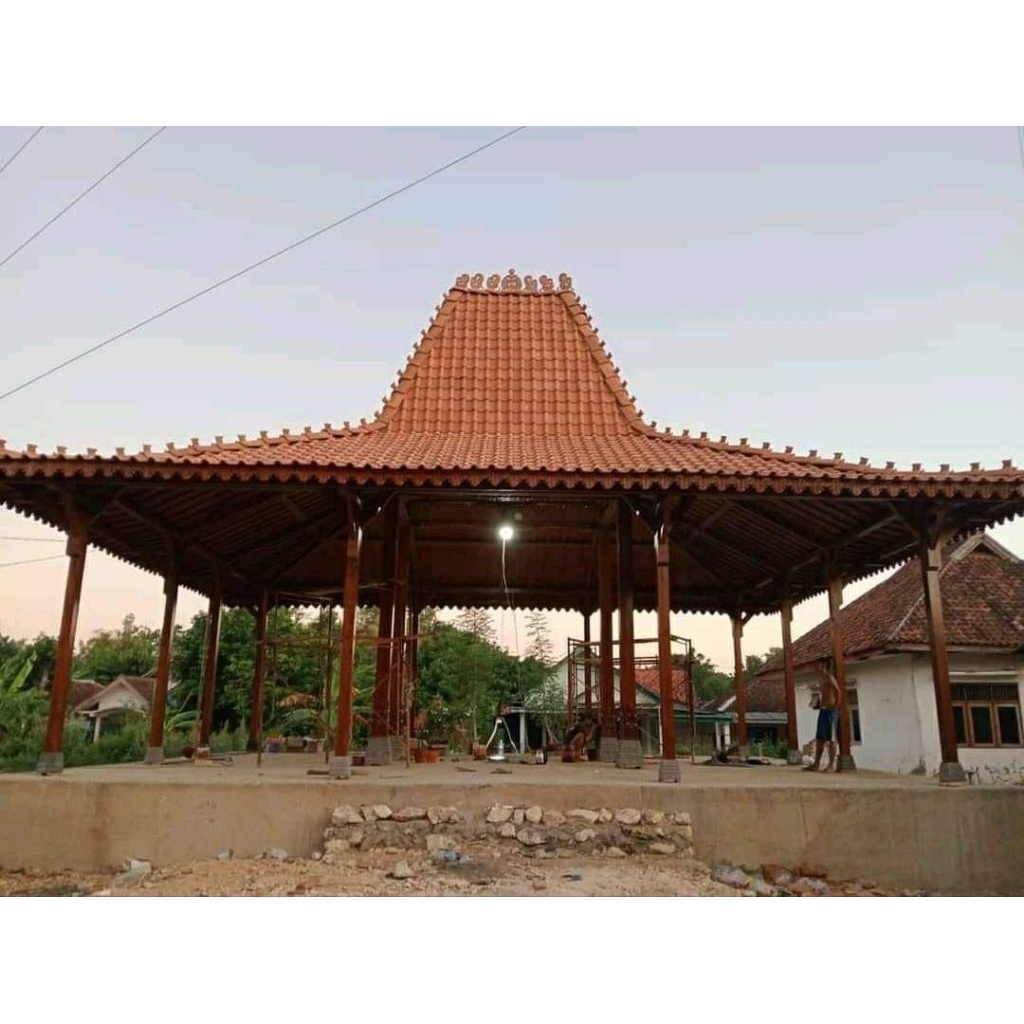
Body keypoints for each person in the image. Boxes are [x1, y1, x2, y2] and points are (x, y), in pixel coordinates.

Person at [804, 662, 840, 771]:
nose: (816, 667)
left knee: (831, 739)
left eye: (818, 665)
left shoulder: (830, 678)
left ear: (824, 666)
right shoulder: (822, 679)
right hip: (823, 710)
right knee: (820, 739)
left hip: (831, 711)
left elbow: (837, 691)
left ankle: (831, 765)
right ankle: (816, 764)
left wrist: (835, 705)